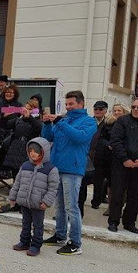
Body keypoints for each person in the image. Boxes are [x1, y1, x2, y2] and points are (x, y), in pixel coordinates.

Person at [41, 90, 97, 255]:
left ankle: (76, 243)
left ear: (81, 104)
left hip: (73, 169)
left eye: (71, 104)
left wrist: (60, 123)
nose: (68, 107)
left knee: (72, 207)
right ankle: (60, 236)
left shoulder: (89, 121)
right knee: (59, 206)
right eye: (66, 104)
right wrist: (46, 124)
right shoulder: (63, 120)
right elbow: (49, 138)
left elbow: (79, 137)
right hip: (57, 167)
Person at [107, 97, 138, 234]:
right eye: (133, 107)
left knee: (135, 196)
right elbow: (115, 141)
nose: (135, 109)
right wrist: (125, 159)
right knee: (117, 194)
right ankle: (113, 221)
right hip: (121, 164)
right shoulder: (122, 121)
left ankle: (129, 223)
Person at [10, 137, 60, 256]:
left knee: (38, 225)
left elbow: (53, 188)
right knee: (25, 223)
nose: (33, 153)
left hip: (38, 204)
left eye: (36, 151)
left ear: (43, 152)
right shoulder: (25, 165)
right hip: (25, 202)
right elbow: (17, 182)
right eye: (30, 151)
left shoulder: (51, 169)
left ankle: (36, 245)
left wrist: (46, 202)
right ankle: (24, 241)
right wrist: (13, 197)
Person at [90, 101, 114, 210]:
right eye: (96, 109)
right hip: (89, 153)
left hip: (103, 155)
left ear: (105, 110)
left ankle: (96, 201)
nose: (98, 111)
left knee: (99, 180)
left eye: (100, 109)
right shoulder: (89, 122)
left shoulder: (109, 123)